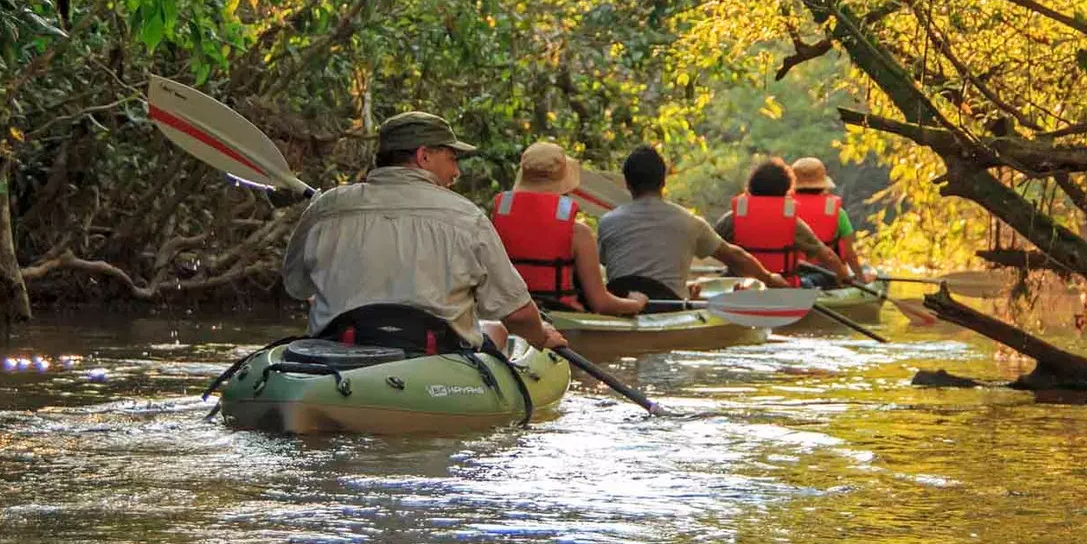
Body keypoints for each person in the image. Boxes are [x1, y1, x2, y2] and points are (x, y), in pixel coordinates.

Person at [281, 111, 566, 354]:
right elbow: (517, 314)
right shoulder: (467, 217)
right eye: (452, 158)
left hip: (338, 350)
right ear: (424, 156)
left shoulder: (327, 206)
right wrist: (540, 336)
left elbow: (297, 286)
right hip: (432, 358)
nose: (456, 172)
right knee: (495, 327)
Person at [596, 144, 787, 303]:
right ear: (663, 181)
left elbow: (608, 262)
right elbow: (735, 257)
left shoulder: (607, 221)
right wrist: (768, 278)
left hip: (621, 304)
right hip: (668, 306)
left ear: (627, 183)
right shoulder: (689, 222)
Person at [490, 141, 648, 317]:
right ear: (564, 183)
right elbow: (601, 303)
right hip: (561, 319)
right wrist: (636, 303)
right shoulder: (578, 233)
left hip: (511, 316)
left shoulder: (495, 221)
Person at [714, 158, 851, 287]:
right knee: (823, 278)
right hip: (782, 286)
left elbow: (710, 243)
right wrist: (843, 275)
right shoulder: (792, 223)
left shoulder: (733, 218)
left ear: (750, 186)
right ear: (786, 189)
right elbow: (827, 256)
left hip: (741, 285)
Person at [789, 156, 870, 284]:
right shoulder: (837, 212)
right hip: (826, 273)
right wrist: (861, 278)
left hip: (790, 271)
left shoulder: (785, 210)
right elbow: (849, 255)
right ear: (823, 184)